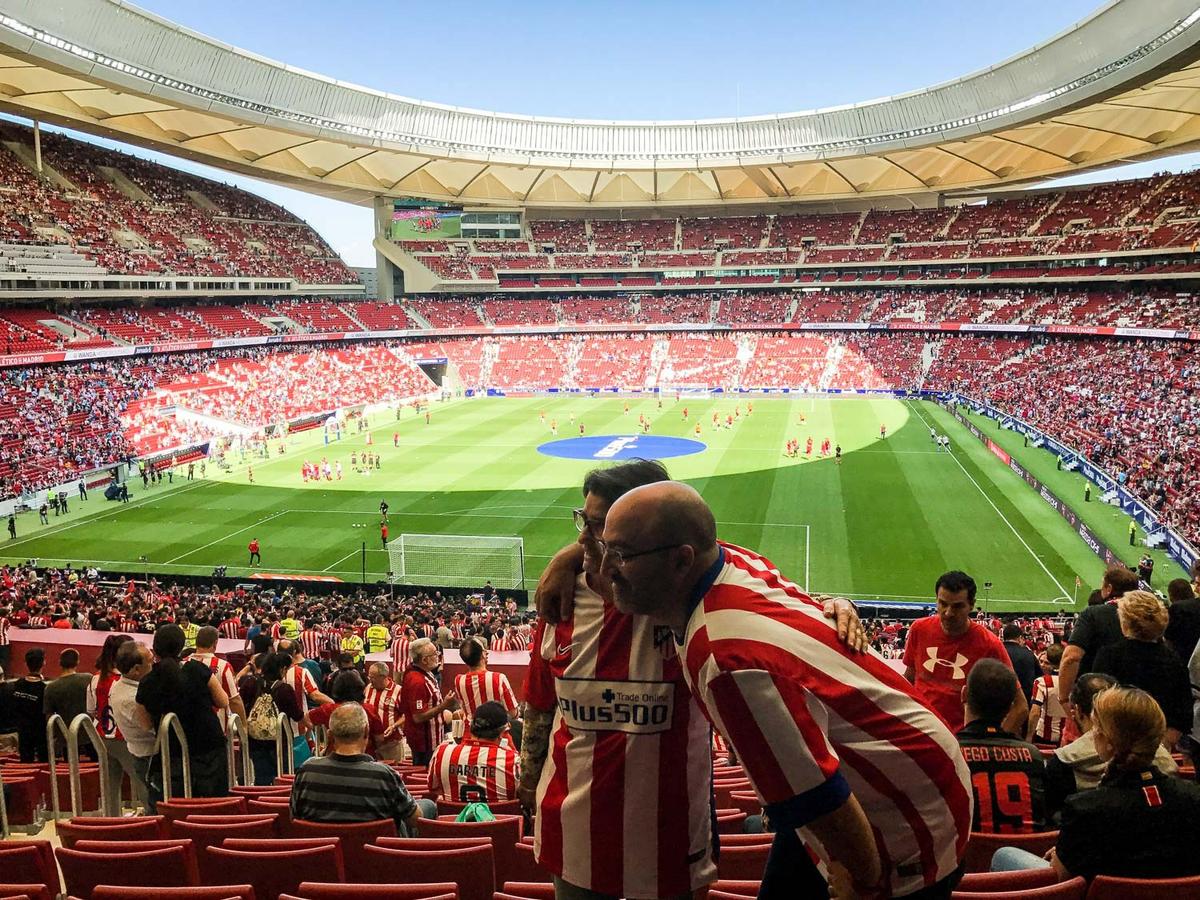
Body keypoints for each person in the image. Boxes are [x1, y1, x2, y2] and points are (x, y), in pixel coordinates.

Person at [598, 481, 972, 900]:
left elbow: (823, 803)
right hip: (899, 772)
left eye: (622, 556)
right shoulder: (726, 561)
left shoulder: (725, 660)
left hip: (906, 818)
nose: (605, 568)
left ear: (680, 561)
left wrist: (866, 885)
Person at [523, 458, 866, 900]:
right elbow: (538, 706)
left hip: (673, 841)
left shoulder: (684, 594)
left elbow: (739, 577)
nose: (587, 540)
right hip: (572, 835)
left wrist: (831, 606)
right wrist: (529, 784)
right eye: (584, 525)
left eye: (603, 530)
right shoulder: (562, 604)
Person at [993, 687, 1200, 881]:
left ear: (1106, 740)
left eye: (1097, 728)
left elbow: (1060, 879)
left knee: (1004, 854)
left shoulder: (1085, 809)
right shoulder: (1192, 798)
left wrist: (1065, 851)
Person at [903, 571, 1026, 733]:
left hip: (962, 742)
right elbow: (908, 680)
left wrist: (992, 744)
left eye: (957, 606)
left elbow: (1021, 707)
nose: (948, 613)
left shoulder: (989, 645)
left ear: (972, 605)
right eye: (943, 604)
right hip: (923, 735)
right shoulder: (919, 629)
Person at [290, 702, 433, 833]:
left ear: (330, 736)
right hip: (378, 858)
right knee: (428, 805)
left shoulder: (306, 771)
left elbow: (294, 817)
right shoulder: (385, 775)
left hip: (322, 857)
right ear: (366, 732)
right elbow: (416, 820)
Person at [137, 624, 230, 801]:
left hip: (172, 751)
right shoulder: (197, 669)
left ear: (155, 649)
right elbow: (223, 701)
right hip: (208, 748)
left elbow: (145, 724)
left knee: (177, 807)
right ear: (181, 646)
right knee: (214, 805)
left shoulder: (147, 681)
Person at [957, 659, 1048, 833]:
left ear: (964, 694)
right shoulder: (1034, 756)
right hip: (1027, 855)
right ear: (1010, 706)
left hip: (968, 855)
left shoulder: (950, 754)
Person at [1091, 590, 1192, 746]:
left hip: (1116, 746)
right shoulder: (1174, 661)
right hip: (1155, 747)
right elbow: (1181, 718)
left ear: (1125, 621)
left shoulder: (1110, 656)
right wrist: (1161, 747)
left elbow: (1096, 707)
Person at [1058, 565, 1141, 713]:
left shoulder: (1094, 614)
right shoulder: (1149, 618)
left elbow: (1071, 657)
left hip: (1096, 699)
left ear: (1109, 589)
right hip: (1137, 701)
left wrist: (1064, 698)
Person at [429, 701, 520, 803]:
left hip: (453, 818)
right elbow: (523, 797)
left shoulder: (442, 753)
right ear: (502, 733)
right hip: (500, 818)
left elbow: (433, 788)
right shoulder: (512, 761)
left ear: (472, 727)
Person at [239, 650, 307, 785]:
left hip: (254, 738)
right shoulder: (284, 689)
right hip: (279, 739)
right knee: (282, 774)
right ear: (282, 669)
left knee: (261, 774)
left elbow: (241, 705)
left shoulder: (250, 683)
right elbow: (296, 714)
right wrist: (309, 725)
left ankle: (260, 799)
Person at [108, 640, 156, 810]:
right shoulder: (132, 698)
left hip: (145, 754)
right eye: (151, 661)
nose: (155, 664)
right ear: (136, 669)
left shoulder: (121, 685)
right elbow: (152, 727)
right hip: (149, 757)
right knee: (156, 803)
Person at [400, 638, 456, 766]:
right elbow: (418, 717)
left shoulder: (424, 672)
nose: (438, 656)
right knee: (425, 773)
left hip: (433, 738)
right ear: (424, 660)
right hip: (425, 743)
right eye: (435, 654)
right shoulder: (417, 682)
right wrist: (444, 706)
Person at [454, 636, 518, 742]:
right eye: (484, 649)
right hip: (497, 738)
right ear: (483, 655)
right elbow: (513, 713)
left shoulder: (458, 680)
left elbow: (464, 709)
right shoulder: (498, 678)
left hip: (470, 736)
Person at [192, 626, 247, 730]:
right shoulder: (223, 666)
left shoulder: (183, 663)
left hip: (189, 723)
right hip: (216, 725)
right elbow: (234, 700)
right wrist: (243, 726)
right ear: (215, 643)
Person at [44, 649, 94, 755]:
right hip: (89, 732)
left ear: (60, 663)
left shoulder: (51, 687)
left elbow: (49, 715)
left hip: (66, 736)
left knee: (70, 767)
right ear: (77, 662)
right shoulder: (88, 678)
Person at [6, 649, 48, 761]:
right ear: (43, 663)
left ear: (26, 663)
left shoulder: (17, 685)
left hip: (23, 730)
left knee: (25, 759)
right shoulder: (45, 689)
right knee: (44, 759)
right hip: (40, 732)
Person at [1027, 643, 1068, 747]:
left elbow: (1035, 712)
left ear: (1049, 659)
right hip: (1066, 735)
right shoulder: (1073, 682)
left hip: (1045, 736)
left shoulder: (1041, 682)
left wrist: (1028, 737)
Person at [364, 662, 405, 761]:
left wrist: (394, 726)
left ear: (383, 677)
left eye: (373, 677)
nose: (370, 680)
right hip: (371, 743)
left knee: (394, 771)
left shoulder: (398, 691)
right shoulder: (368, 688)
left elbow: (407, 714)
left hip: (391, 743)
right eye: (369, 677)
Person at [1001, 624, 1039, 705]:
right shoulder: (1029, 654)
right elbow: (1039, 678)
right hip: (1025, 702)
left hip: (1000, 703)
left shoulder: (996, 652)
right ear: (1020, 638)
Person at [1165, 576, 1200, 661]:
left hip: (1180, 659)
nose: (1195, 587)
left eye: (1198, 584)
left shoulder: (1179, 608)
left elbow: (1167, 638)